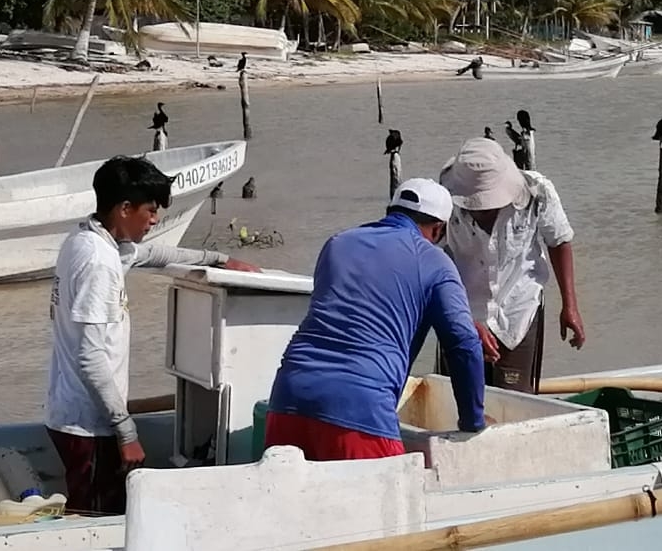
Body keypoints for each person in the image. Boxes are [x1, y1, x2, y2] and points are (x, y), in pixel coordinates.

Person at [45, 155, 260, 516]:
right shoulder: (98, 263)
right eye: (151, 209)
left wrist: (219, 260)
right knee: (95, 520)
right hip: (89, 425)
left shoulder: (87, 239)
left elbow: (152, 254)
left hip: (72, 412)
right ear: (125, 208)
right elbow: (90, 358)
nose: (156, 218)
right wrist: (126, 432)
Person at [265, 178, 487, 461]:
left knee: (292, 504)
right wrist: (472, 422)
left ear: (390, 211)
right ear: (439, 229)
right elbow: (462, 343)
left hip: (288, 397)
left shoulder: (338, 243)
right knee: (385, 503)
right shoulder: (434, 260)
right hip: (360, 409)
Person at [435, 137, 586, 394]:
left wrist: (570, 306)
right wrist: (456, 319)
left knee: (515, 401)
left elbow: (559, 242)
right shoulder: (441, 203)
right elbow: (425, 258)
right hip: (464, 313)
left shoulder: (537, 193)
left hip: (519, 311)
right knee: (457, 400)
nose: (483, 209)